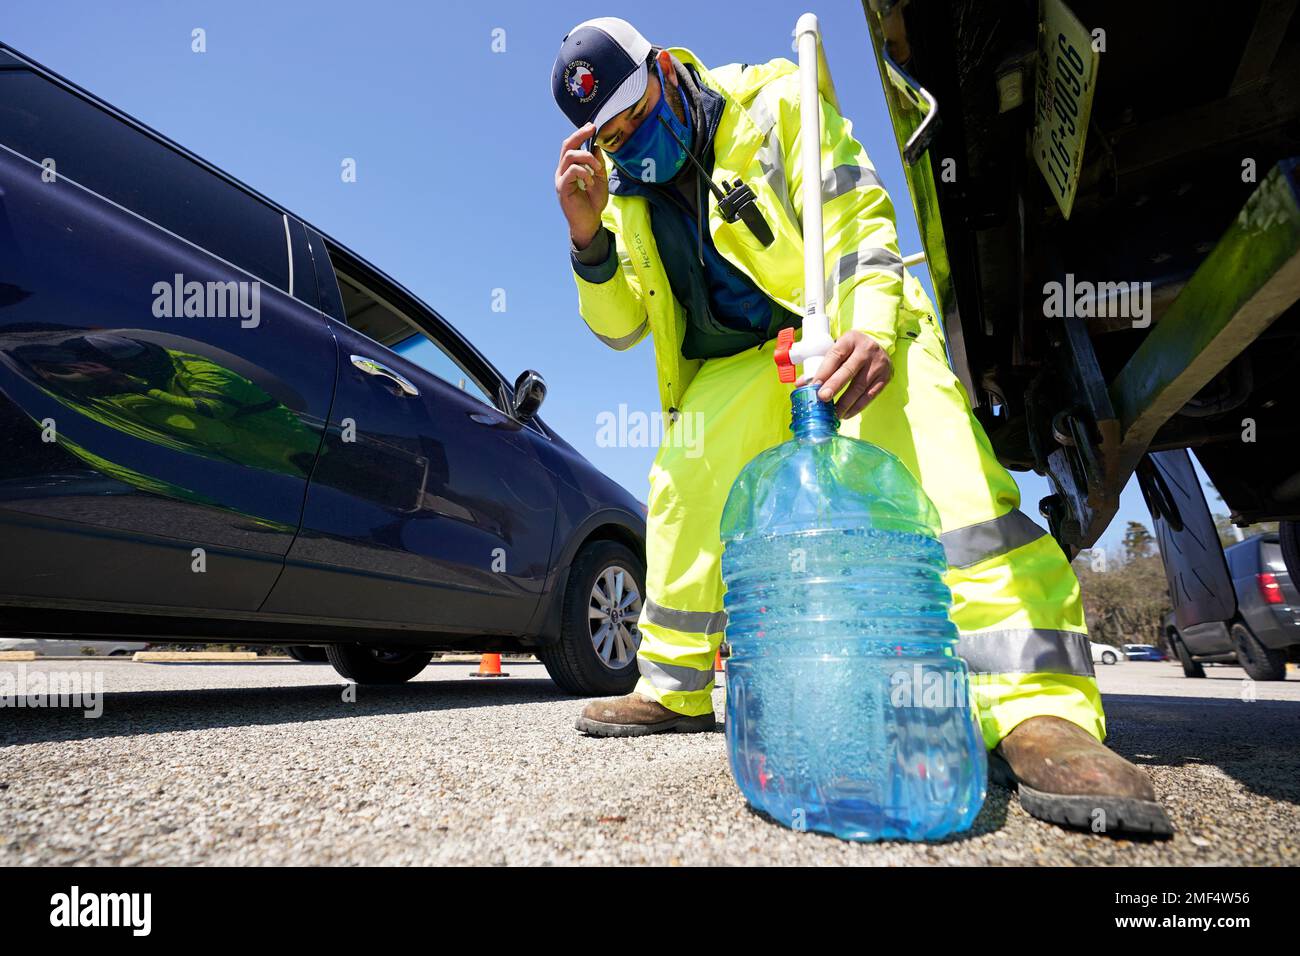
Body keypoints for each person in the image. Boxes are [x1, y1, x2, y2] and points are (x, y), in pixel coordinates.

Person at [550, 17, 1171, 837]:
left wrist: (872, 329)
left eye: (639, 111)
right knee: (683, 485)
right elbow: (622, 322)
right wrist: (587, 234)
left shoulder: (773, 99)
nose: (634, 141)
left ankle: (1035, 710)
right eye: (615, 133)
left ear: (665, 68)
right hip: (735, 362)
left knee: (931, 457)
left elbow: (853, 217)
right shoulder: (622, 189)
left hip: (834, 315)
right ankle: (672, 687)